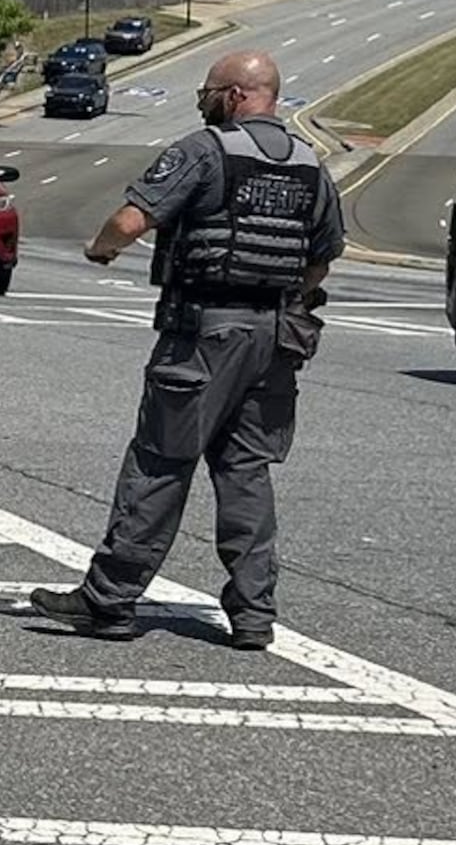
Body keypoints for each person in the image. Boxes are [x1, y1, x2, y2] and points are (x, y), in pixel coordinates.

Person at [25, 49, 341, 652]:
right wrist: (278, 300)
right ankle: (253, 614)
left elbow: (130, 221)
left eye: (208, 91)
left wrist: (99, 251)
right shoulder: (310, 164)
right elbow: (324, 254)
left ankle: (110, 600)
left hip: (203, 334)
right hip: (274, 337)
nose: (202, 100)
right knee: (246, 471)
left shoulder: (206, 149)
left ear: (235, 96)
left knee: (161, 462)